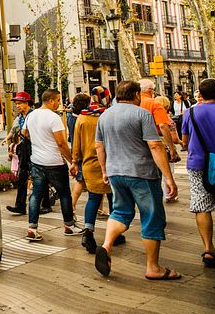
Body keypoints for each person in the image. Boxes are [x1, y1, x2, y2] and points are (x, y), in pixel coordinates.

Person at [94, 81, 180, 280]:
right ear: (135, 95)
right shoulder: (141, 114)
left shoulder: (104, 115)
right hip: (142, 173)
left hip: (116, 173)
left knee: (121, 211)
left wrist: (105, 171)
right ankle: (153, 267)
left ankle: (106, 246)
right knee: (151, 216)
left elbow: (99, 147)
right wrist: (169, 178)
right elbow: (155, 146)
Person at [22, 89, 83, 241]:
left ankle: (32, 227)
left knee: (36, 194)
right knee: (64, 194)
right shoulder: (54, 117)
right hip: (54, 162)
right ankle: (69, 225)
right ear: (50, 101)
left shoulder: (32, 115)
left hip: (37, 161)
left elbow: (25, 132)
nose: (59, 103)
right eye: (57, 100)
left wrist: (38, 140)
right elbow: (61, 143)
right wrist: (72, 161)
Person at [72, 87, 124, 254]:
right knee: (113, 198)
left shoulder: (82, 117)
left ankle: (88, 232)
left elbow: (76, 144)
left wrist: (74, 162)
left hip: (88, 164)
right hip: (111, 162)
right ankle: (115, 234)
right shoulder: (109, 115)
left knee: (93, 198)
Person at [181, 78, 215, 268]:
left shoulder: (190, 112)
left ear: (200, 94)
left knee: (201, 204)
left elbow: (185, 141)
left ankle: (209, 249)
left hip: (199, 164)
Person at [3, 92, 51, 215]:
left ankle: (46, 204)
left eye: (19, 103)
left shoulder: (34, 115)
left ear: (27, 103)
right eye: (16, 103)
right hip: (24, 147)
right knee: (22, 176)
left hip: (35, 146)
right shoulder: (20, 117)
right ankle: (20, 205)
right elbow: (15, 130)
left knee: (39, 174)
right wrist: (8, 139)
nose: (17, 106)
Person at [139, 79, 180, 167]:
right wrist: (172, 149)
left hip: (136, 145)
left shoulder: (133, 103)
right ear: (150, 90)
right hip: (155, 144)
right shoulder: (155, 104)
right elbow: (163, 126)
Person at [156, 95, 182, 202]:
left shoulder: (149, 117)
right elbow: (174, 139)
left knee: (156, 175)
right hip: (166, 149)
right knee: (168, 173)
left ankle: (156, 195)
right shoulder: (168, 120)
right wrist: (181, 143)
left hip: (153, 148)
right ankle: (170, 195)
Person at [68, 93, 91, 214]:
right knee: (81, 180)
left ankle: (72, 205)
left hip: (75, 150)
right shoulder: (82, 118)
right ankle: (71, 205)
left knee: (80, 180)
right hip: (84, 151)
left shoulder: (70, 117)